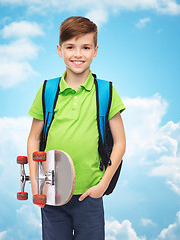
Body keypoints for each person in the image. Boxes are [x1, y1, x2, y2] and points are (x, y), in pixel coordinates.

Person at [27, 16, 126, 240]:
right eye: (70, 47)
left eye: (86, 47)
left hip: (90, 195)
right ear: (59, 50)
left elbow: (120, 142)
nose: (78, 54)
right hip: (52, 194)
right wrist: (36, 184)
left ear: (96, 50)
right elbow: (33, 139)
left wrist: (103, 184)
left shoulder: (106, 91)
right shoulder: (47, 90)